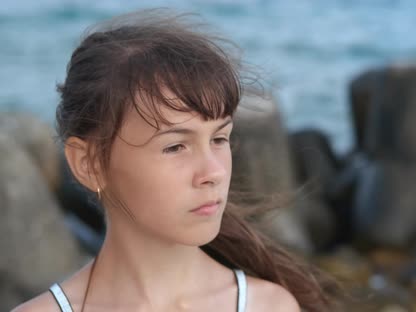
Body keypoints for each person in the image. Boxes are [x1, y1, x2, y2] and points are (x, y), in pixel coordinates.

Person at [12, 9, 334, 312]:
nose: (215, 172)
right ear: (89, 163)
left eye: (219, 139)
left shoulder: (267, 307)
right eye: (176, 147)